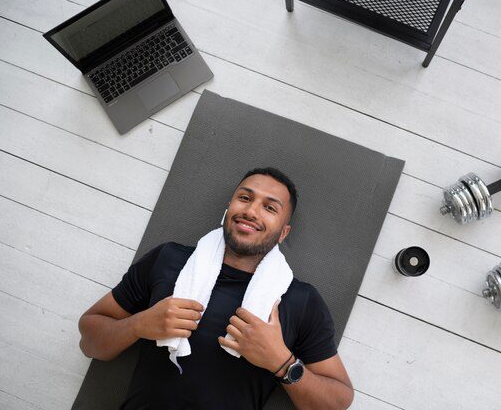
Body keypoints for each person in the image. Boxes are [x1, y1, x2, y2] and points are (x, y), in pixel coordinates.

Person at [78, 167, 354, 410]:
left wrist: (281, 361)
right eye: (245, 198)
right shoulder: (169, 259)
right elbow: (89, 341)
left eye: (270, 208)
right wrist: (138, 325)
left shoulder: (300, 300)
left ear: (283, 232)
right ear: (229, 207)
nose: (251, 210)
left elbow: (338, 401)